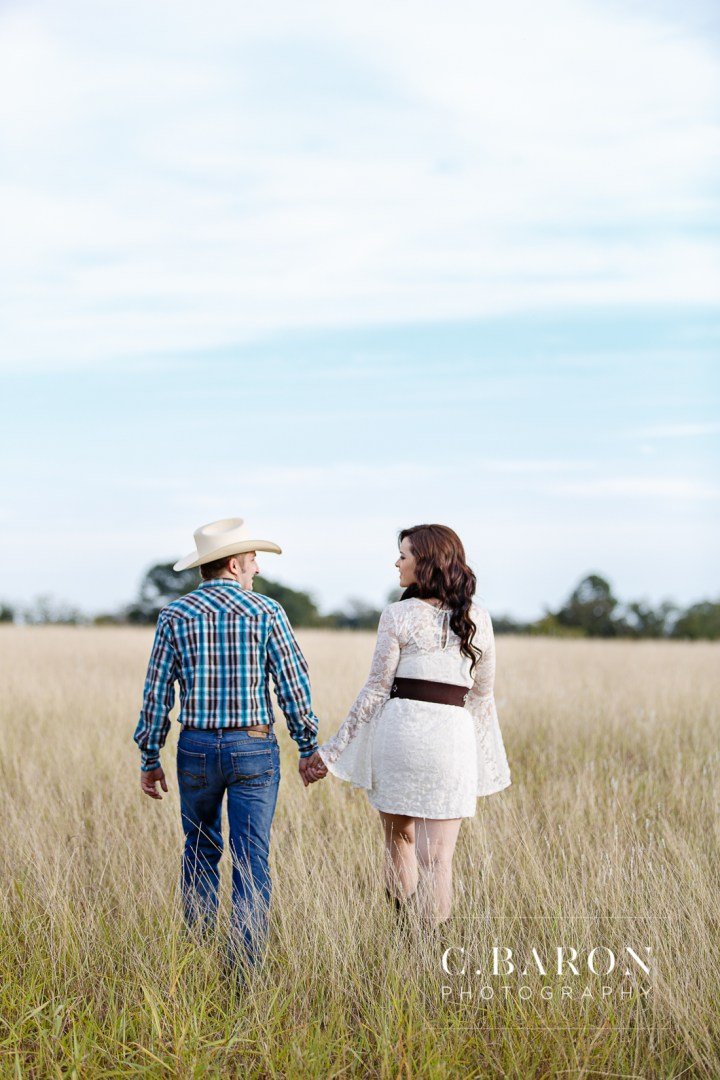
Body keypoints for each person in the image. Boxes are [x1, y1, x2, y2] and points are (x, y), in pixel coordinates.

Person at [134, 517, 327, 969]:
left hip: (196, 748)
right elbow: (293, 685)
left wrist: (149, 756)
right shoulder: (267, 612)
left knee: (199, 849)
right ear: (235, 563)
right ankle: (243, 972)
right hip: (254, 747)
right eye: (253, 559)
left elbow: (157, 694)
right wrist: (307, 744)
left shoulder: (174, 616)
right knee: (250, 856)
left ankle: (196, 960)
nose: (257, 568)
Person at [317, 524, 511, 924]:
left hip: (400, 736)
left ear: (425, 563)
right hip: (452, 740)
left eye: (403, 555)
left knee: (397, 840)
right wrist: (479, 756)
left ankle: (400, 932)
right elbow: (482, 696)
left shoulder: (396, 614)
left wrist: (331, 751)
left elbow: (375, 690)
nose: (397, 562)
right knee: (438, 861)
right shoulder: (480, 619)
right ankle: (428, 949)